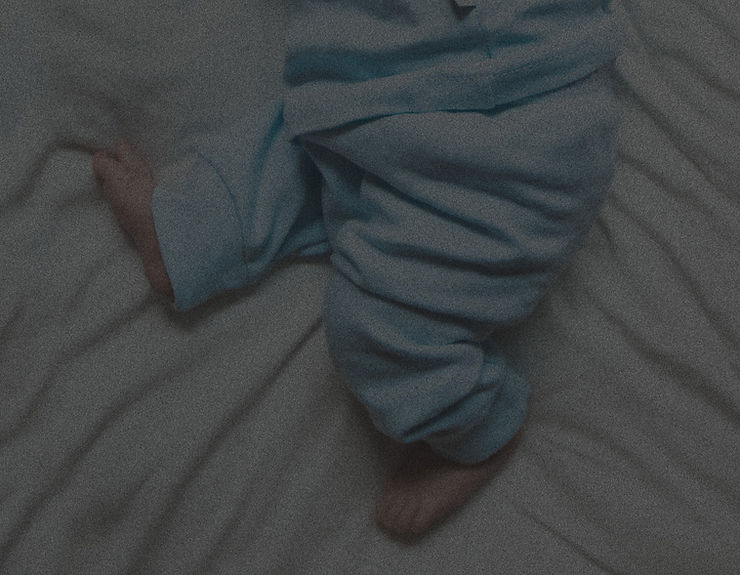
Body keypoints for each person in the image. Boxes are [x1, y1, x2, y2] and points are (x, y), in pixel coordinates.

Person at [92, 0, 623, 537]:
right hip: (371, 89)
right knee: (295, 146)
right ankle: (192, 232)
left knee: (379, 327)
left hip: (512, 134)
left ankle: (475, 430)